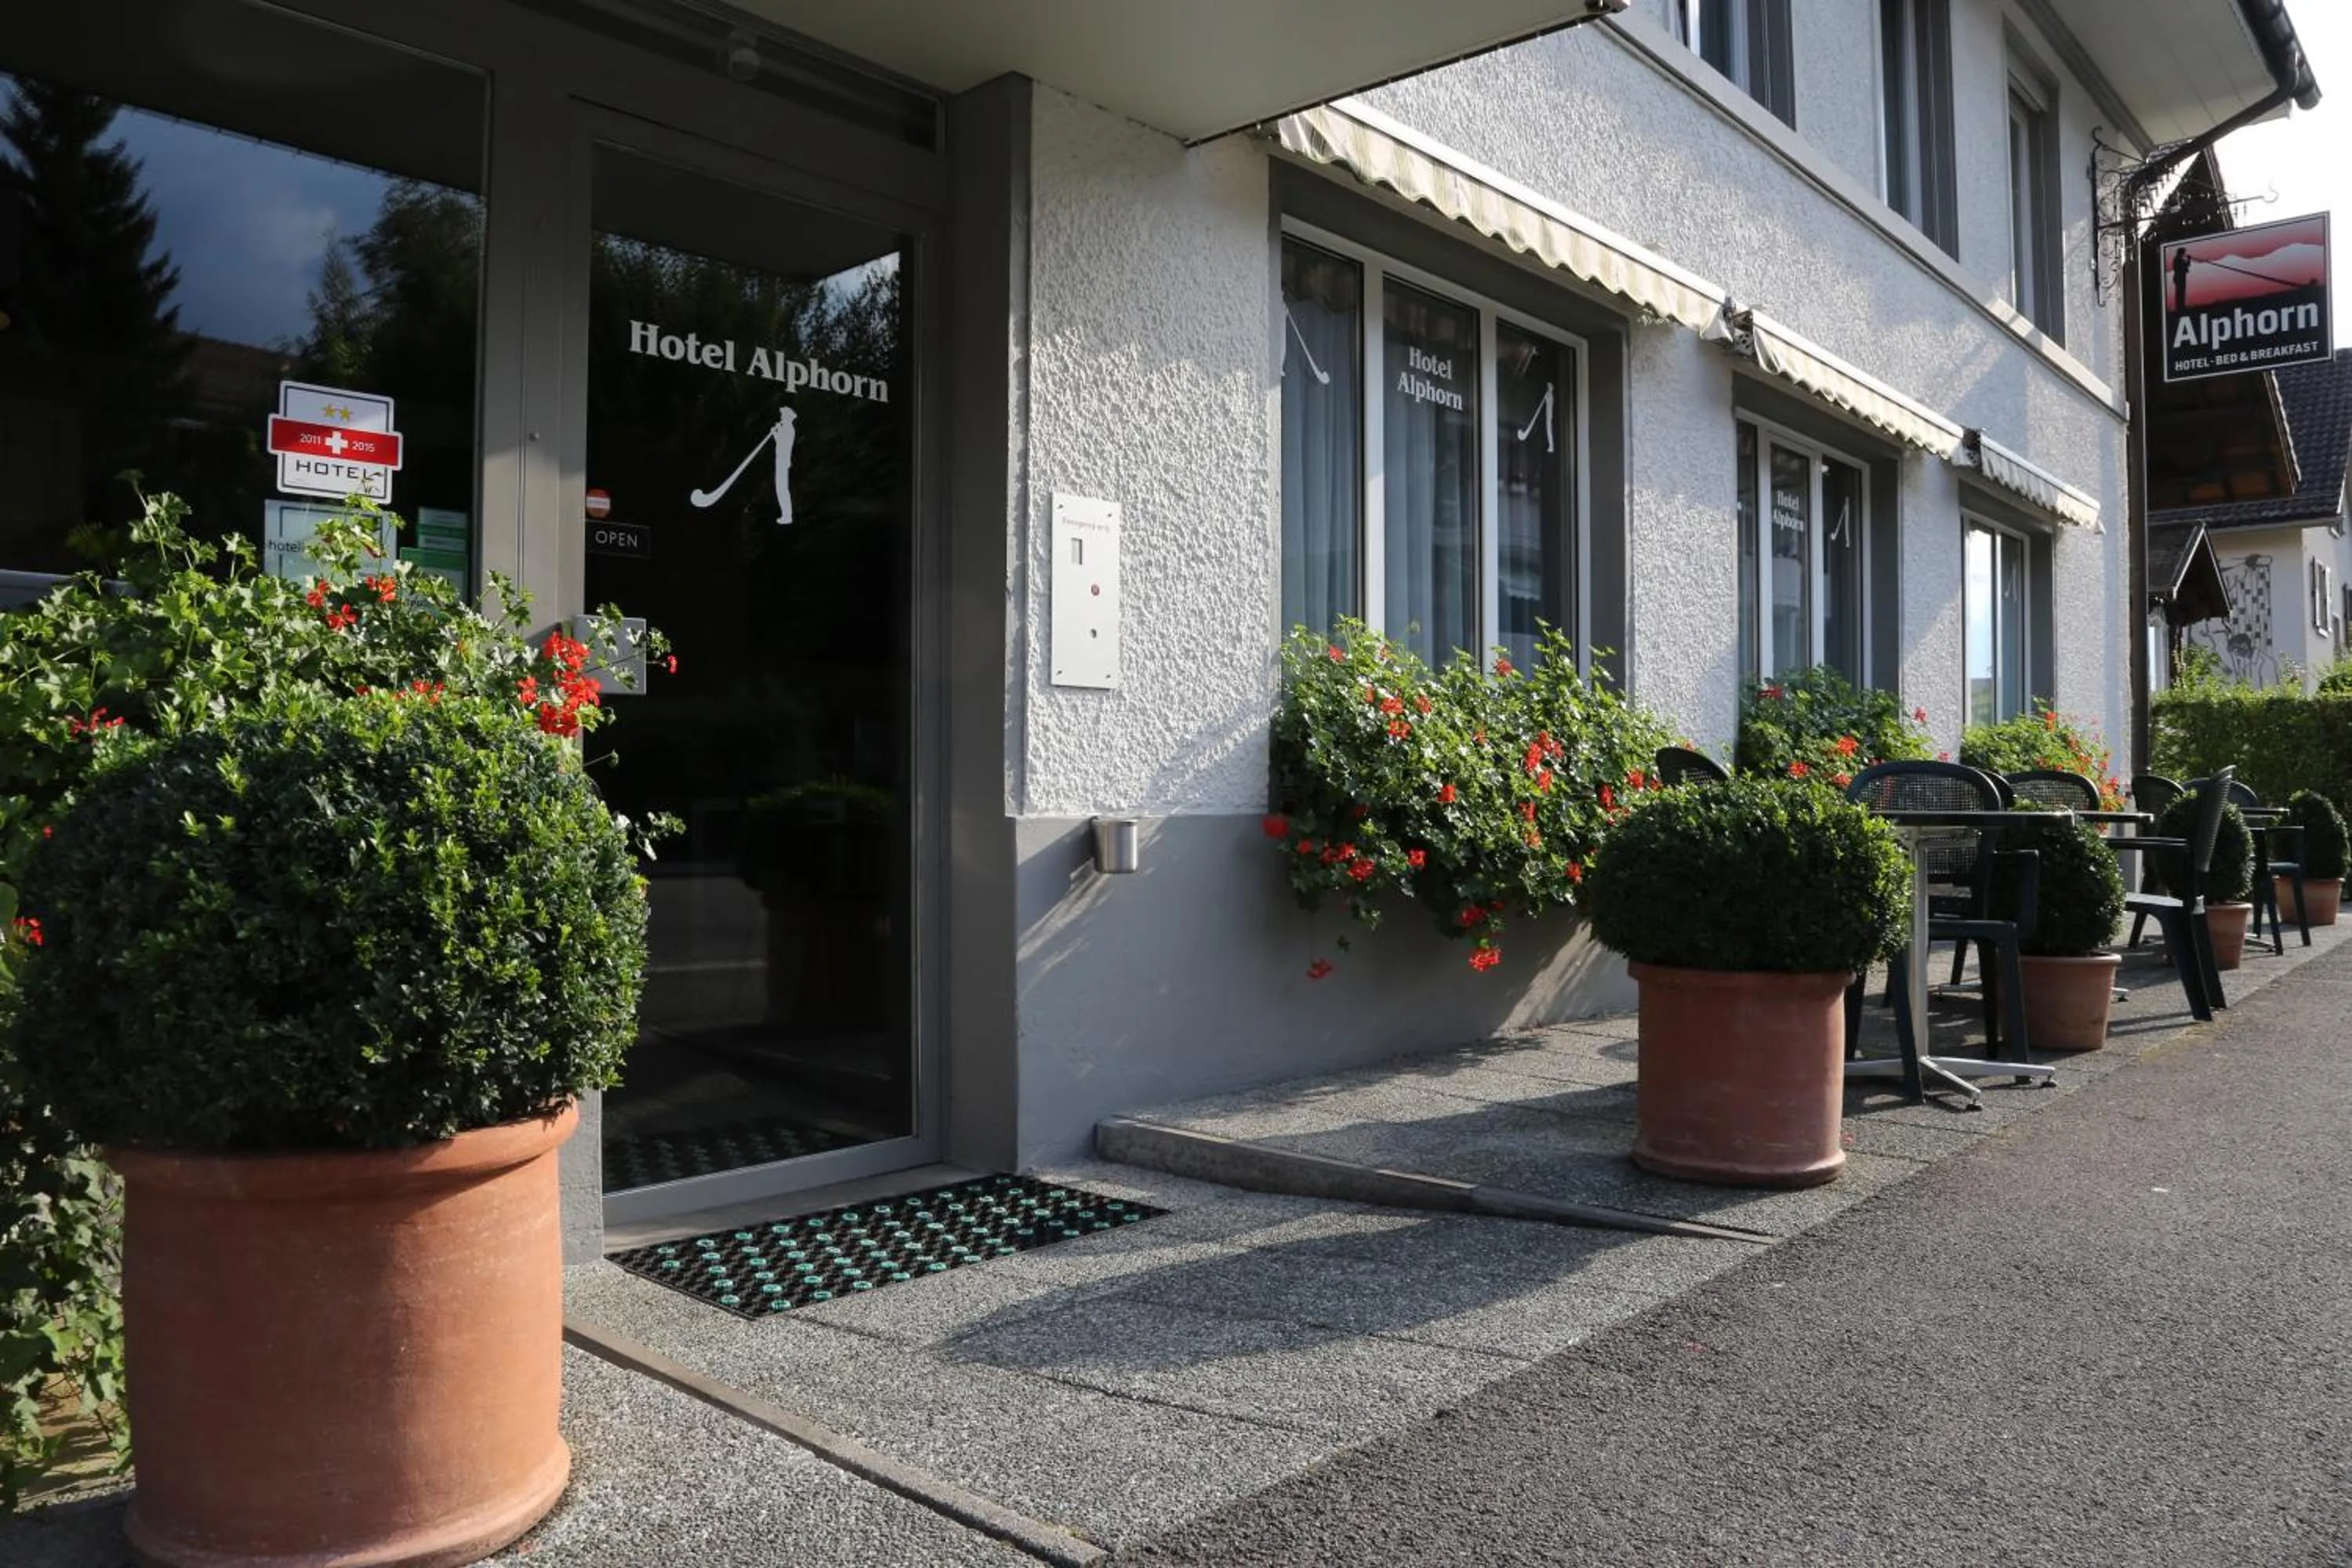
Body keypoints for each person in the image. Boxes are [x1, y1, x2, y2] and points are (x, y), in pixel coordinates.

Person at [2172, 246, 2193, 317]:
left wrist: (2188, 260)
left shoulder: (2179, 259)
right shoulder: (2178, 259)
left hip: (2181, 278)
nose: (2184, 253)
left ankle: (2181, 306)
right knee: (2180, 292)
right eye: (2183, 252)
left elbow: (2186, 266)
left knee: (2181, 292)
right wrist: (2189, 259)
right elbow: (2185, 266)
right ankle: (2180, 307)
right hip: (2180, 278)